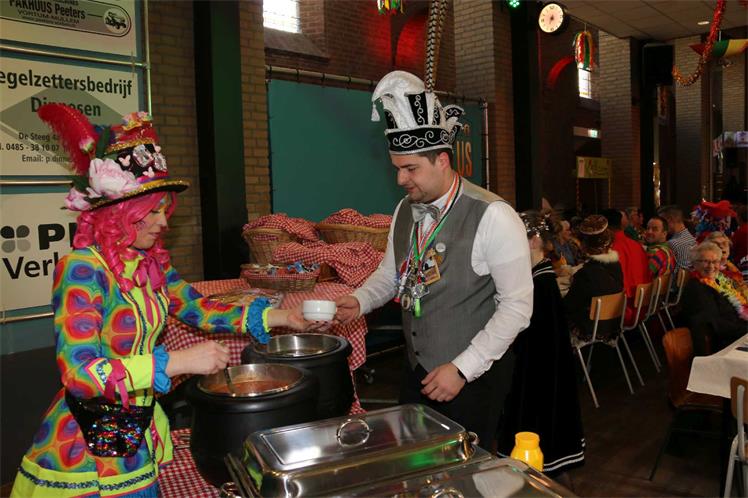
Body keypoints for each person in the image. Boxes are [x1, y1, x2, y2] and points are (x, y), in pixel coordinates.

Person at [10, 106, 314, 498]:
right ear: (118, 213)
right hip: (88, 445)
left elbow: (200, 309)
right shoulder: (82, 269)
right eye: (150, 211)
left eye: (163, 209)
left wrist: (283, 317)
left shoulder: (151, 264)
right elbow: (79, 373)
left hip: (136, 428)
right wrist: (177, 362)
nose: (164, 222)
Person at [334, 70, 533, 448]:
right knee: (414, 459)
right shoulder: (404, 210)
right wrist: (359, 301)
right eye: (397, 168)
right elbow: (391, 274)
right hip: (417, 370)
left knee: (467, 467)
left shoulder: (493, 215)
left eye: (411, 169)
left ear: (442, 160)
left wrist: (461, 368)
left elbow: (517, 308)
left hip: (472, 377)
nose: (401, 180)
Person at [496, 211, 584, 473]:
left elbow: (534, 339)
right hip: (538, 363)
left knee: (535, 416)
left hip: (537, 369)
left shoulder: (540, 282)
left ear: (534, 240)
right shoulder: (537, 276)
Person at [678, 241, 747, 356]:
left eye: (715, 262)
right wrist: (745, 329)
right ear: (695, 264)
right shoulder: (696, 288)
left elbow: (738, 308)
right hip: (722, 346)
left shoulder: (720, 280)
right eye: (705, 261)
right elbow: (716, 326)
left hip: (736, 333)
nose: (711, 266)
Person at [564, 215, 624, 340]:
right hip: (613, 325)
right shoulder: (616, 266)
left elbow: (568, 306)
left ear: (584, 245)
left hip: (592, 329)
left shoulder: (587, 274)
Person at [602, 208, 651, 323]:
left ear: (604, 228)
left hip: (622, 311)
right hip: (643, 306)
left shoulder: (610, 250)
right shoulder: (637, 245)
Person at [658, 205, 697, 273]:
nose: (661, 225)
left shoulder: (672, 243)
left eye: (662, 222)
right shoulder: (693, 239)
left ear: (670, 219)